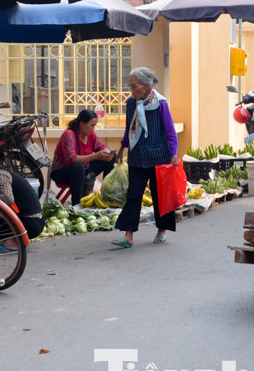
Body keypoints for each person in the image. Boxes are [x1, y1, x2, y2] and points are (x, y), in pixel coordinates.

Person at [112, 67, 179, 248]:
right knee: (133, 195)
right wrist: (122, 148)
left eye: (135, 86)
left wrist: (174, 154)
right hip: (137, 157)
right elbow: (129, 129)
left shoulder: (160, 104)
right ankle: (128, 235)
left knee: (160, 196)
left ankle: (161, 230)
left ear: (147, 85)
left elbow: (170, 131)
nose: (132, 90)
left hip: (159, 157)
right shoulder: (131, 103)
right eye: (131, 87)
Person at [51, 109, 115, 205]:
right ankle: (76, 204)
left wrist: (107, 152)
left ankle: (106, 195)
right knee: (78, 166)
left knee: (110, 159)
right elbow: (71, 159)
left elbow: (101, 146)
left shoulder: (90, 135)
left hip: (84, 169)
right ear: (82, 123)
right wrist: (94, 156)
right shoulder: (69, 135)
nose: (93, 129)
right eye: (91, 125)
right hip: (63, 173)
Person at [0, 163, 45, 242]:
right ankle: (12, 242)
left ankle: (11, 244)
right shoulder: (1, 171)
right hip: (36, 222)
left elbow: (8, 198)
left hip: (30, 224)